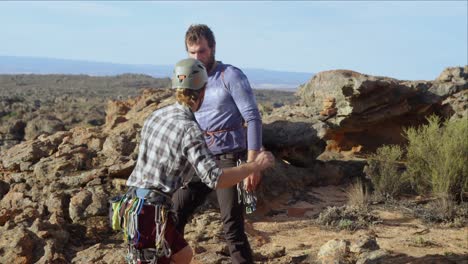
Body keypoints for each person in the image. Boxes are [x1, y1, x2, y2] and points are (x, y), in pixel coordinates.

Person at [121, 58, 274, 264]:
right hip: (151, 212)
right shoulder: (189, 128)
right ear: (202, 91)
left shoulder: (156, 116)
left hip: (132, 205)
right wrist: (254, 165)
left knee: (184, 256)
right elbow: (216, 179)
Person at [172, 24, 263, 264]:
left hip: (229, 156)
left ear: (212, 48)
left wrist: (252, 165)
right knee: (174, 213)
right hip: (199, 156)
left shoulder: (229, 75)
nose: (197, 57)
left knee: (232, 226)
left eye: (201, 51)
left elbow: (252, 117)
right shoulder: (188, 79)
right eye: (192, 52)